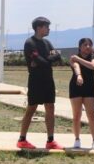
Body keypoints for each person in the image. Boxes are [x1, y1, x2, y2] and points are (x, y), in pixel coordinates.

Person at [17, 17, 63, 149]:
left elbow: (57, 57)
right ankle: (22, 139)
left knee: (50, 107)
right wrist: (46, 59)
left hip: (48, 79)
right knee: (32, 108)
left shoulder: (47, 43)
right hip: (35, 80)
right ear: (38, 28)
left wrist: (44, 59)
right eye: (46, 27)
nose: (49, 29)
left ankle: (50, 141)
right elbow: (41, 61)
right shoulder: (29, 43)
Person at [68, 38, 94, 150]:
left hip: (89, 88)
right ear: (80, 47)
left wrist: (79, 59)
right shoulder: (74, 57)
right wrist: (79, 75)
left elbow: (93, 66)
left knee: (91, 115)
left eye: (90, 45)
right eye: (85, 45)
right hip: (76, 87)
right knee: (76, 115)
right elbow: (76, 66)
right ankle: (77, 139)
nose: (88, 47)